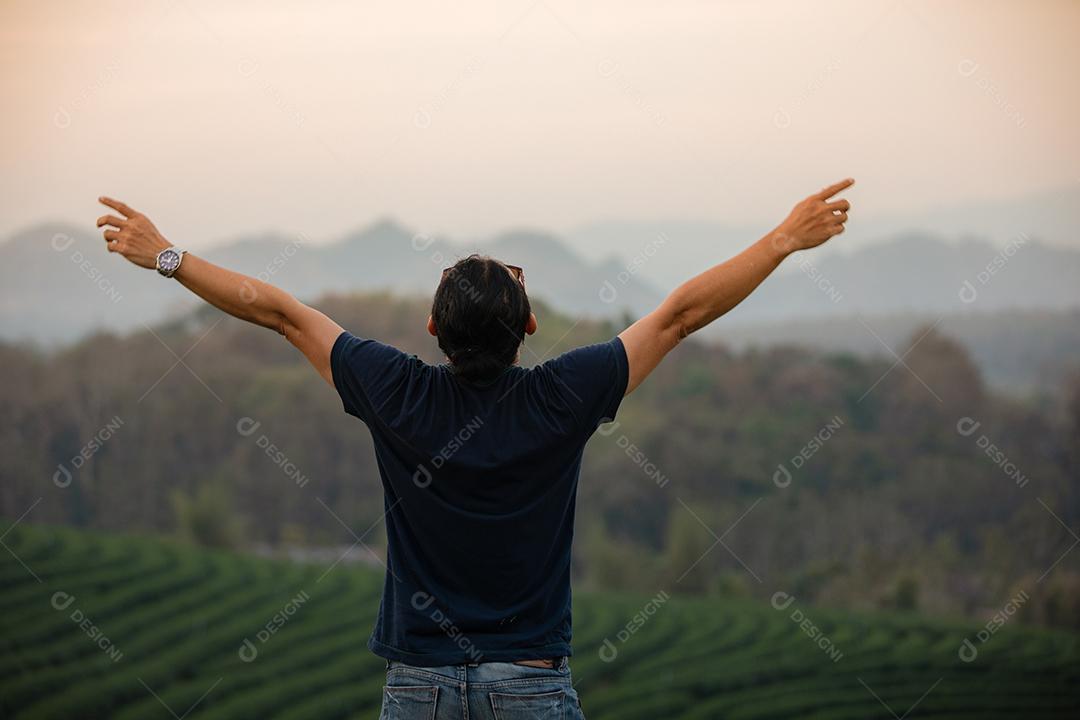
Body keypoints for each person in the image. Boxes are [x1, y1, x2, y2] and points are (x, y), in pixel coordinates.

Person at [96, 178, 852, 719]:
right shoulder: (566, 395)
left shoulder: (393, 389)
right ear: (528, 330)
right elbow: (681, 315)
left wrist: (165, 255)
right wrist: (785, 239)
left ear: (432, 330)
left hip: (418, 687)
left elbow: (281, 313)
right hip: (530, 683)